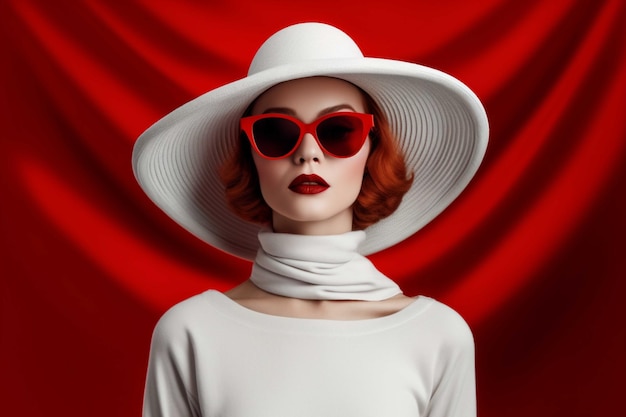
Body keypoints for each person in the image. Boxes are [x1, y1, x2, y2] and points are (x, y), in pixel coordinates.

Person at [133, 22, 488, 417]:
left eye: (337, 131)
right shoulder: (189, 333)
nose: (307, 153)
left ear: (373, 150)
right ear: (249, 156)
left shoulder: (437, 335)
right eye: (276, 132)